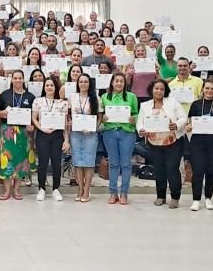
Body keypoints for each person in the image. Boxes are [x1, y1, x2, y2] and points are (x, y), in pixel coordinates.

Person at [136, 79, 187, 209]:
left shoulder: (173, 103)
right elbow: (140, 122)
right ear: (151, 90)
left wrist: (176, 124)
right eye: (156, 88)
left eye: (161, 89)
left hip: (173, 142)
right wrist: (141, 130)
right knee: (159, 170)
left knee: (172, 169)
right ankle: (161, 196)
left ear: (165, 91)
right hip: (154, 143)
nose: (159, 91)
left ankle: (175, 197)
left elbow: (184, 118)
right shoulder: (145, 105)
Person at [185, 79, 213, 211]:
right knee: (197, 171)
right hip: (198, 142)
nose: (209, 91)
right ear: (202, 89)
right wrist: (189, 127)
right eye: (207, 88)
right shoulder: (195, 105)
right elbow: (190, 122)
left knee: (211, 171)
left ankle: (208, 198)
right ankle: (196, 199)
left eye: (212, 89)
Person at [0, 70, 36, 201]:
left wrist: (31, 125)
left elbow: (33, 116)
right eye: (15, 78)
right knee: (6, 160)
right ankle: (7, 190)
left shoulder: (30, 97)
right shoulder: (5, 95)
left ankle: (17, 189)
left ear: (23, 80)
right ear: (11, 80)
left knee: (21, 161)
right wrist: (1, 114)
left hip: (24, 133)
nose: (17, 80)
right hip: (7, 132)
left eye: (20, 78)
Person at [100, 73, 138, 205]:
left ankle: (124, 193)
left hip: (127, 132)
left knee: (126, 164)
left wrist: (135, 119)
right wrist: (102, 118)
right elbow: (100, 114)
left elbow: (136, 114)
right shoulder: (104, 97)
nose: (119, 83)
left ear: (125, 83)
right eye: (116, 81)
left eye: (122, 81)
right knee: (114, 164)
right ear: (112, 83)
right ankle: (113, 192)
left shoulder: (131, 97)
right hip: (110, 132)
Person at [30, 77, 69, 202]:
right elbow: (34, 118)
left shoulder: (62, 103)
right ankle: (41, 188)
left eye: (52, 85)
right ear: (44, 87)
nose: (49, 87)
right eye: (47, 85)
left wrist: (66, 140)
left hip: (57, 135)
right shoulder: (38, 101)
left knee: (57, 162)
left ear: (55, 87)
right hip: (42, 134)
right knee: (43, 162)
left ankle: (56, 189)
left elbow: (65, 123)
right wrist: (41, 128)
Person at [69, 73, 101, 202]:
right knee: (77, 162)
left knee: (88, 162)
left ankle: (87, 189)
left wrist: (94, 128)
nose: (83, 84)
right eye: (81, 81)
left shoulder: (95, 98)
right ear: (77, 83)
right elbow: (69, 115)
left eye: (86, 82)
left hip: (90, 134)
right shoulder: (72, 97)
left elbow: (99, 117)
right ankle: (80, 188)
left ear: (90, 84)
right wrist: (71, 122)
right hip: (76, 133)